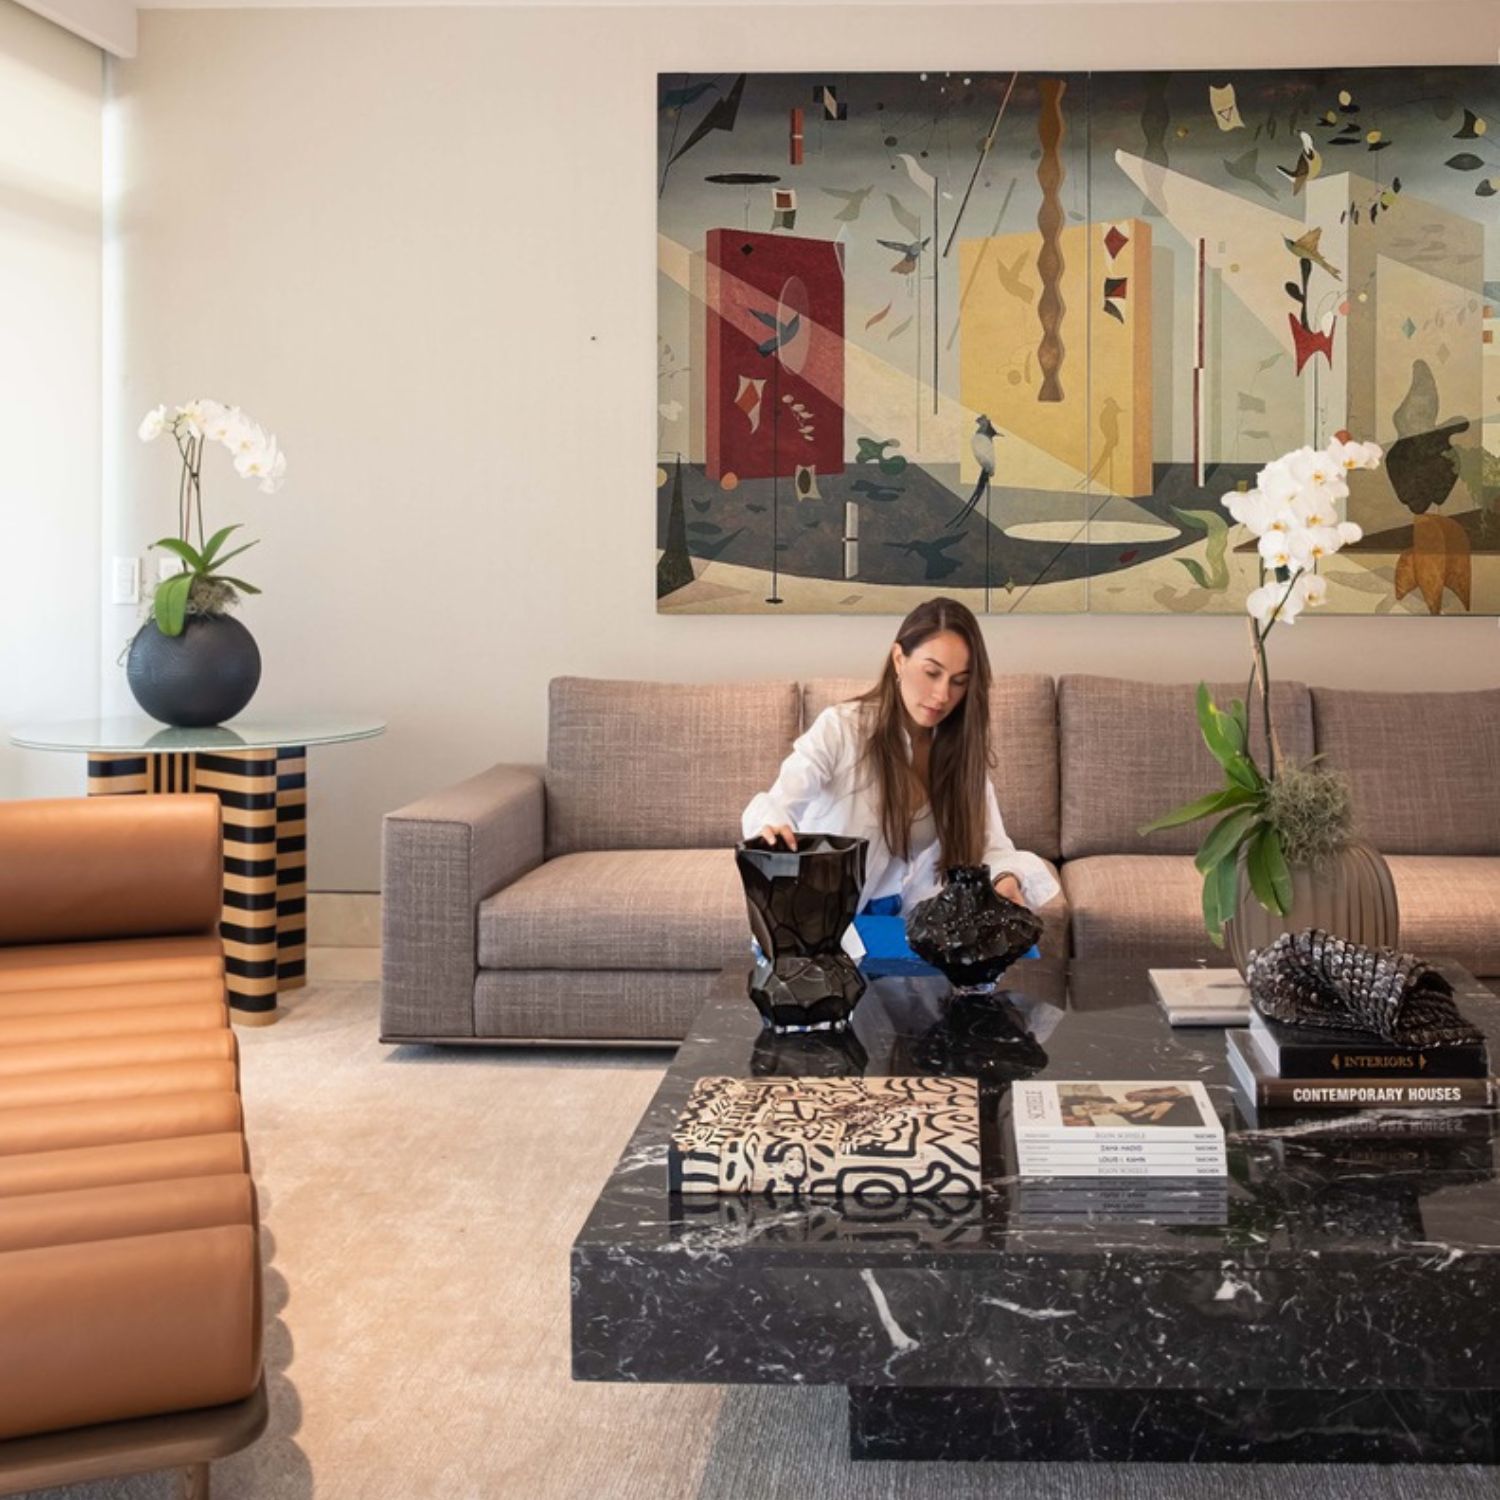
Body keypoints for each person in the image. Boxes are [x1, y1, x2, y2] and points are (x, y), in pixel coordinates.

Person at [741, 596, 1059, 922]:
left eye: (959, 682)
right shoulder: (842, 729)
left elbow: (992, 846)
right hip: (820, 921)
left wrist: (1005, 878)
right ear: (899, 659)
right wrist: (773, 826)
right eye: (932, 673)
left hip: (900, 923)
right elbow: (776, 804)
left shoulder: (960, 755)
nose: (942, 695)